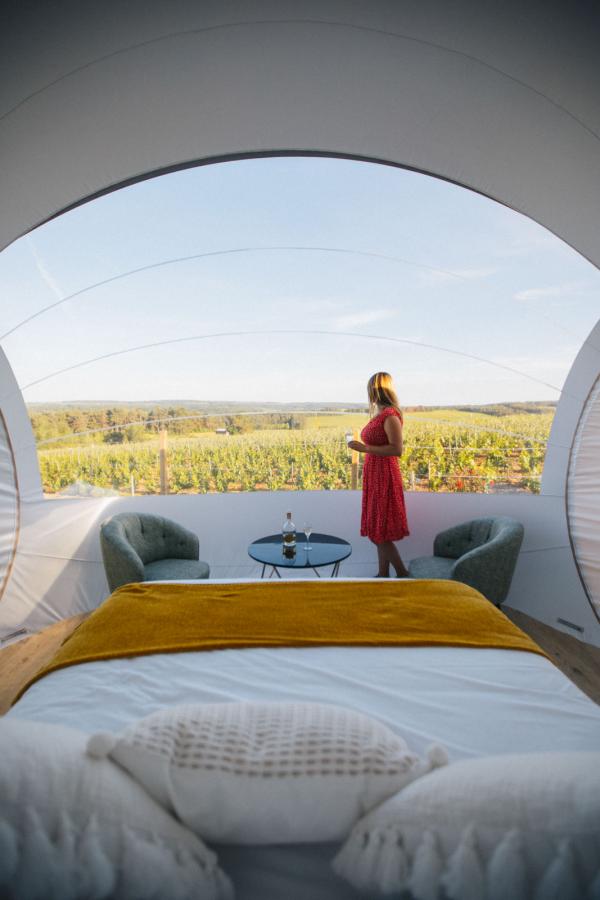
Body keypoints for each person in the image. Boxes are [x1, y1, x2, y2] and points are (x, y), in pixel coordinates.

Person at [348, 372, 410, 577]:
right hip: (375, 474)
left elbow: (396, 450)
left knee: (379, 533)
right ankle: (383, 574)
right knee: (378, 528)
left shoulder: (390, 415)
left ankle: (402, 573)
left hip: (384, 475)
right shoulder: (381, 413)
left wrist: (365, 449)